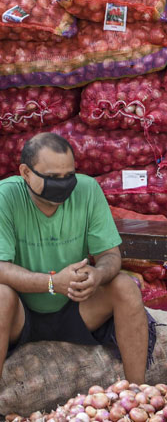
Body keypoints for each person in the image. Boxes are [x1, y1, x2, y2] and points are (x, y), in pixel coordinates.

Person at [0, 133, 151, 383]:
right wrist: (52, 283)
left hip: (76, 308)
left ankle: (138, 393)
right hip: (20, 314)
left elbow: (110, 255)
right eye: (52, 178)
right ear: (25, 173)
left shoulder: (87, 189)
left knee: (124, 285)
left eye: (68, 176)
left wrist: (98, 274)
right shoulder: (5, 197)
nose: (63, 184)